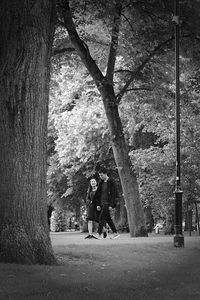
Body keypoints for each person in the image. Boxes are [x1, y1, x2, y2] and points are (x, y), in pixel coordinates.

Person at [96, 167, 120, 239]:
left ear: (105, 174)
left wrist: (112, 205)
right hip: (102, 203)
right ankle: (115, 233)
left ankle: (99, 234)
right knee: (108, 219)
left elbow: (114, 194)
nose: (101, 177)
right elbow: (98, 194)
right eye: (100, 175)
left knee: (101, 218)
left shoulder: (111, 181)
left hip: (108, 203)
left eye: (102, 175)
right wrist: (98, 204)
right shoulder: (101, 182)